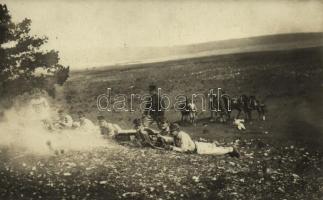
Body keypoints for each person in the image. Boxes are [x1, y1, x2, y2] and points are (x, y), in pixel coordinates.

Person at [169, 123, 240, 158]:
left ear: (177, 130)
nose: (171, 132)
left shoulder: (182, 135)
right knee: (213, 147)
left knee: (215, 151)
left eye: (172, 131)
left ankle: (231, 149)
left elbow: (184, 149)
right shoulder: (176, 136)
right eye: (171, 131)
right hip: (197, 145)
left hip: (199, 149)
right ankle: (228, 149)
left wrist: (173, 148)